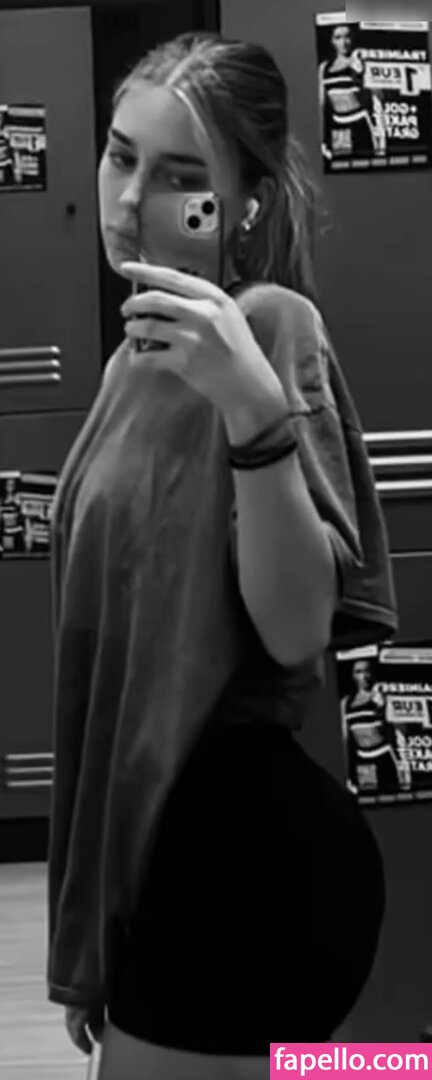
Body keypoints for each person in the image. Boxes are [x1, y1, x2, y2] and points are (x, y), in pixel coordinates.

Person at [47, 31, 398, 1079]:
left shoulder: (270, 327)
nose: (129, 198)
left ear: (242, 204)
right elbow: (114, 679)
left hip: (244, 853)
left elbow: (295, 630)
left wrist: (252, 406)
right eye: (120, 156)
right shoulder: (129, 363)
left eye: (180, 176)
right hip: (166, 844)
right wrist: (101, 914)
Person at [319, 24, 385, 161]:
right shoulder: (324, 67)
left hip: (360, 122)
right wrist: (322, 138)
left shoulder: (360, 61)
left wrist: (361, 74)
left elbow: (378, 95)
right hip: (338, 124)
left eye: (347, 37)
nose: (344, 42)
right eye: (338, 38)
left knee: (367, 163)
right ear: (331, 40)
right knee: (343, 164)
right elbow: (321, 104)